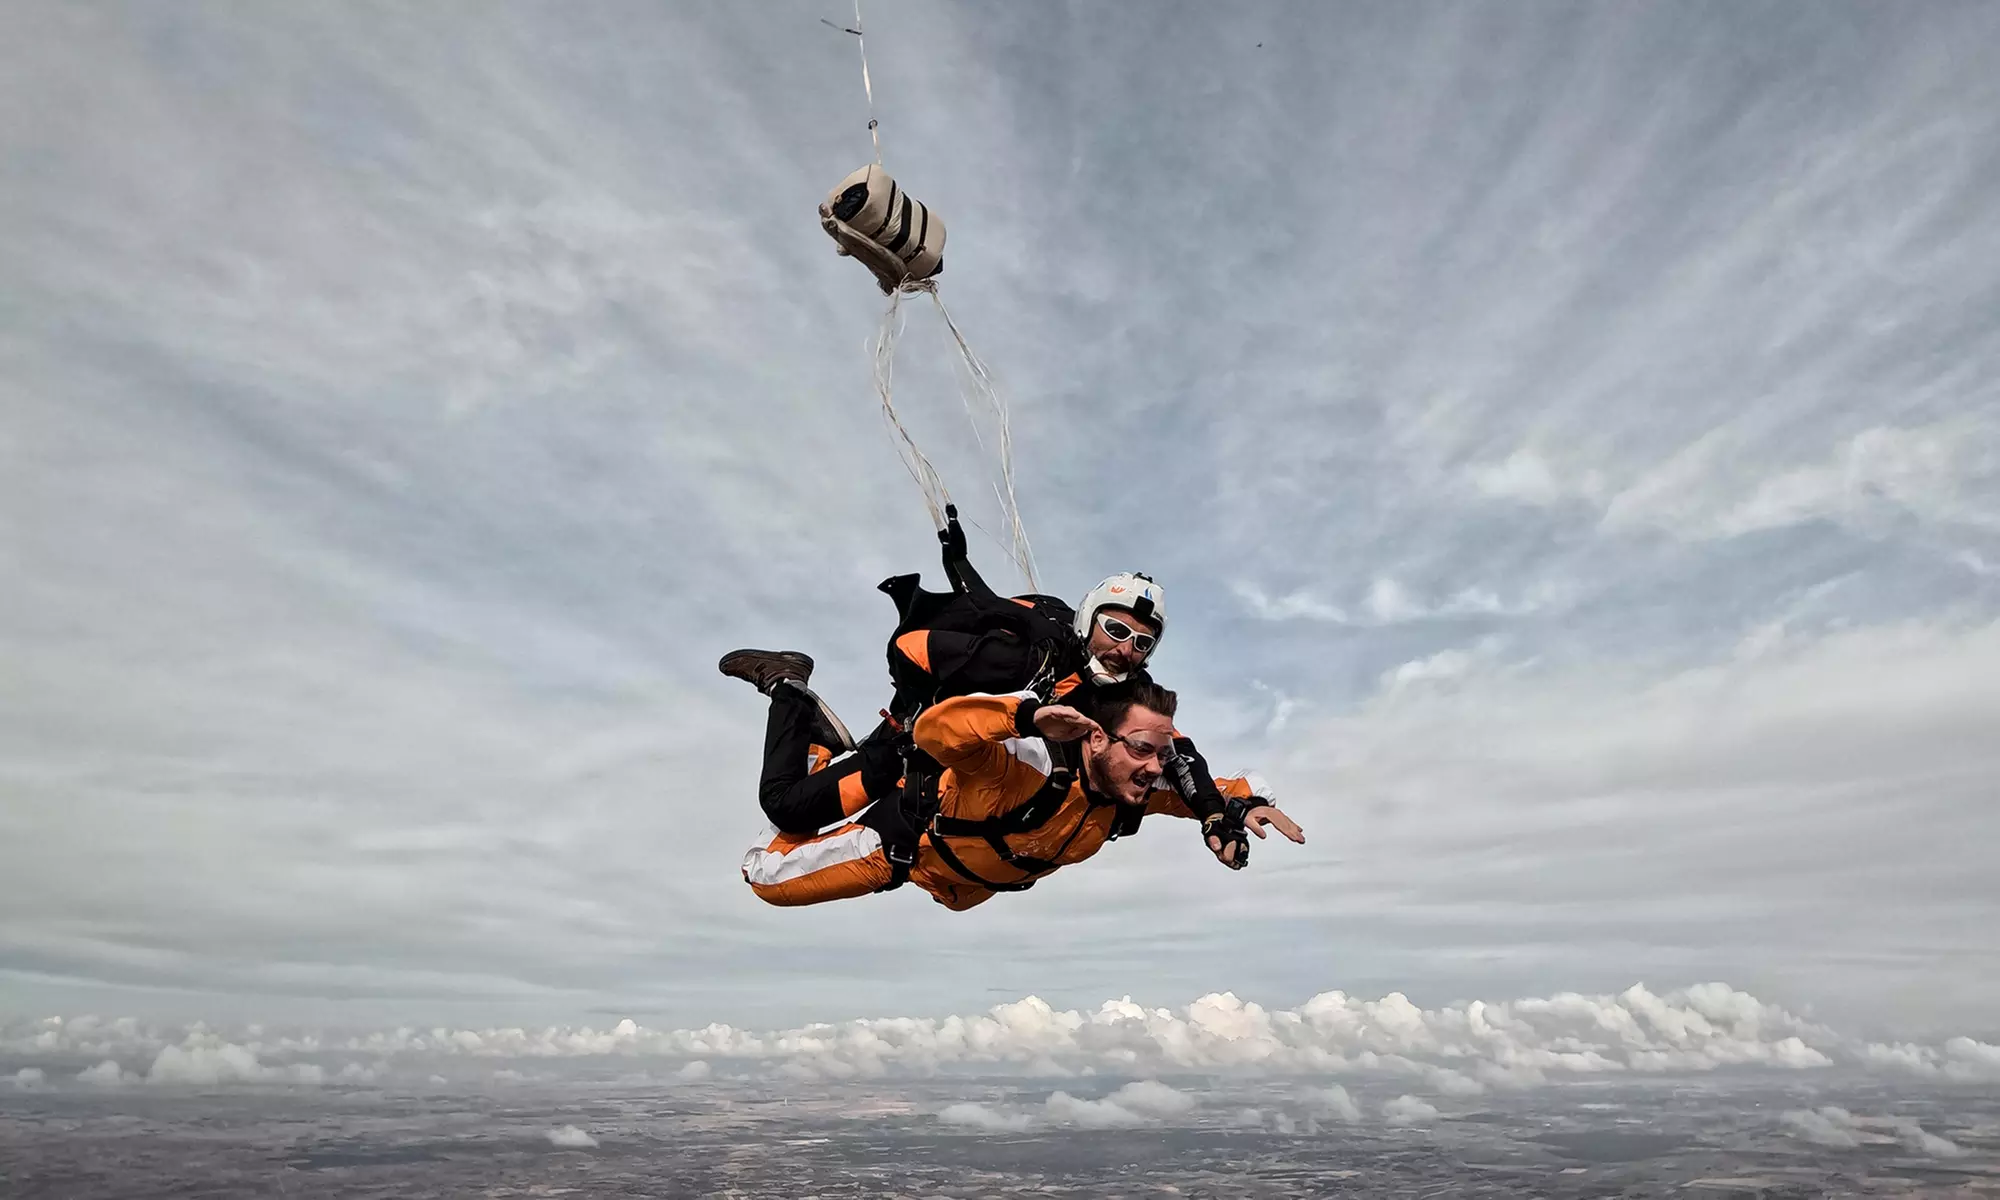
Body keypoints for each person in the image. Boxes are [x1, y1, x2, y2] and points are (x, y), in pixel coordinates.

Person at [720, 513, 1257, 874]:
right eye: (1115, 631)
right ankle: (789, 688)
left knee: (802, 815)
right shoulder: (1037, 653)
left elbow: (1180, 755)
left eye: (1142, 642)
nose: (1126, 649)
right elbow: (915, 645)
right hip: (911, 751)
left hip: (954, 785)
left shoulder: (1131, 698)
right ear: (1089, 622)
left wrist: (1213, 812)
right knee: (788, 810)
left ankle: (821, 738)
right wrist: (915, 714)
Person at [738, 675, 1305, 910]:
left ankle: (816, 749)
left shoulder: (1133, 787)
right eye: (1140, 750)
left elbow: (1229, 784)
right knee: (767, 877)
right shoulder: (1027, 764)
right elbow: (937, 731)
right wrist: (1025, 716)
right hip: (901, 852)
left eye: (1162, 755)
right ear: (1099, 738)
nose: (1154, 767)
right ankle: (803, 726)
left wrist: (1246, 803)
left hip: (962, 882)